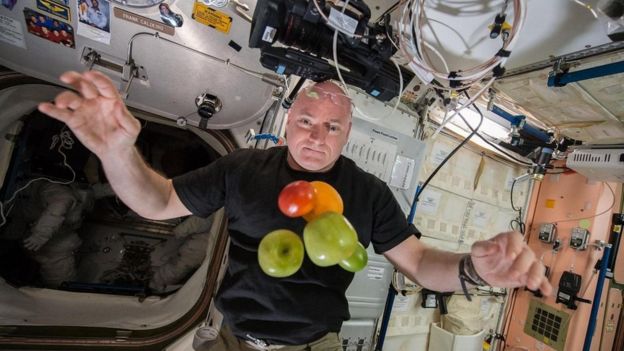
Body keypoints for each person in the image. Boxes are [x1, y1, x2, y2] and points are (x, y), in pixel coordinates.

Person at [39, 71, 552, 351]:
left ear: (348, 135)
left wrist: (470, 269)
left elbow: (418, 262)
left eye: (333, 127)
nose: (316, 135)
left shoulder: (368, 192)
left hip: (316, 344)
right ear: (288, 122)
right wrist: (116, 153)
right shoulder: (241, 169)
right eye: (307, 120)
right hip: (229, 337)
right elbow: (157, 200)